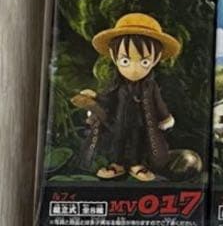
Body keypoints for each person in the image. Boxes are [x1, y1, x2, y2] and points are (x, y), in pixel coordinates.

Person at [71, 12, 182, 182]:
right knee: (118, 142)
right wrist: (96, 98)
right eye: (125, 61)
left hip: (141, 123)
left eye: (144, 62)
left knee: (138, 142)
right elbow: (108, 98)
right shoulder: (117, 84)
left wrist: (165, 117)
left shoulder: (150, 86)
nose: (134, 69)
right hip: (118, 122)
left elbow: (158, 103)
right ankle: (117, 164)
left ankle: (136, 164)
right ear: (114, 56)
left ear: (156, 59)